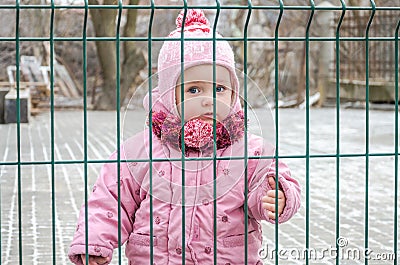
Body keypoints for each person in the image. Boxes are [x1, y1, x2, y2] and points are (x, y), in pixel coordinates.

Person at [68, 9, 301, 265]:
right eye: (193, 89)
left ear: (233, 94)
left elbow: (270, 180)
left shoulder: (249, 151)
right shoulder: (142, 151)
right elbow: (110, 198)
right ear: (169, 93)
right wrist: (94, 242)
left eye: (220, 89)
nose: (208, 100)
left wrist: (276, 195)